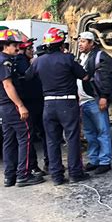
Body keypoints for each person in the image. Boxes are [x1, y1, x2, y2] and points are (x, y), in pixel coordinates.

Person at [26, 27, 89, 185]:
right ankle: (75, 173)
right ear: (62, 43)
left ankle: (57, 177)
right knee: (72, 138)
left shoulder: (38, 61)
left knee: (52, 140)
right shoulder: (67, 59)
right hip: (67, 103)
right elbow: (85, 76)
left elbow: (27, 77)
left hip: (48, 104)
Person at [0, 29, 45, 187]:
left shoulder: (7, 60)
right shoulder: (5, 61)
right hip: (11, 106)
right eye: (14, 45)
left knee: (9, 140)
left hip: (4, 107)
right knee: (25, 138)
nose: (18, 48)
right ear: (5, 46)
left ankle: (10, 176)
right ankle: (23, 175)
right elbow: (7, 85)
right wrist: (20, 105)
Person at [77, 31, 112, 174]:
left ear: (92, 43)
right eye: (80, 40)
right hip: (83, 101)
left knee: (102, 131)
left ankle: (105, 161)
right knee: (89, 133)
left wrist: (104, 96)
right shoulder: (81, 57)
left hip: (95, 100)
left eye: (84, 41)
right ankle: (94, 160)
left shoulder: (101, 56)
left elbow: (107, 78)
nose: (80, 43)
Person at [14, 33, 48, 175]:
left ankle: (42, 164)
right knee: (31, 136)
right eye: (30, 48)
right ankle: (34, 166)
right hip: (31, 105)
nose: (32, 50)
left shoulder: (22, 61)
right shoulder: (21, 62)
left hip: (33, 104)